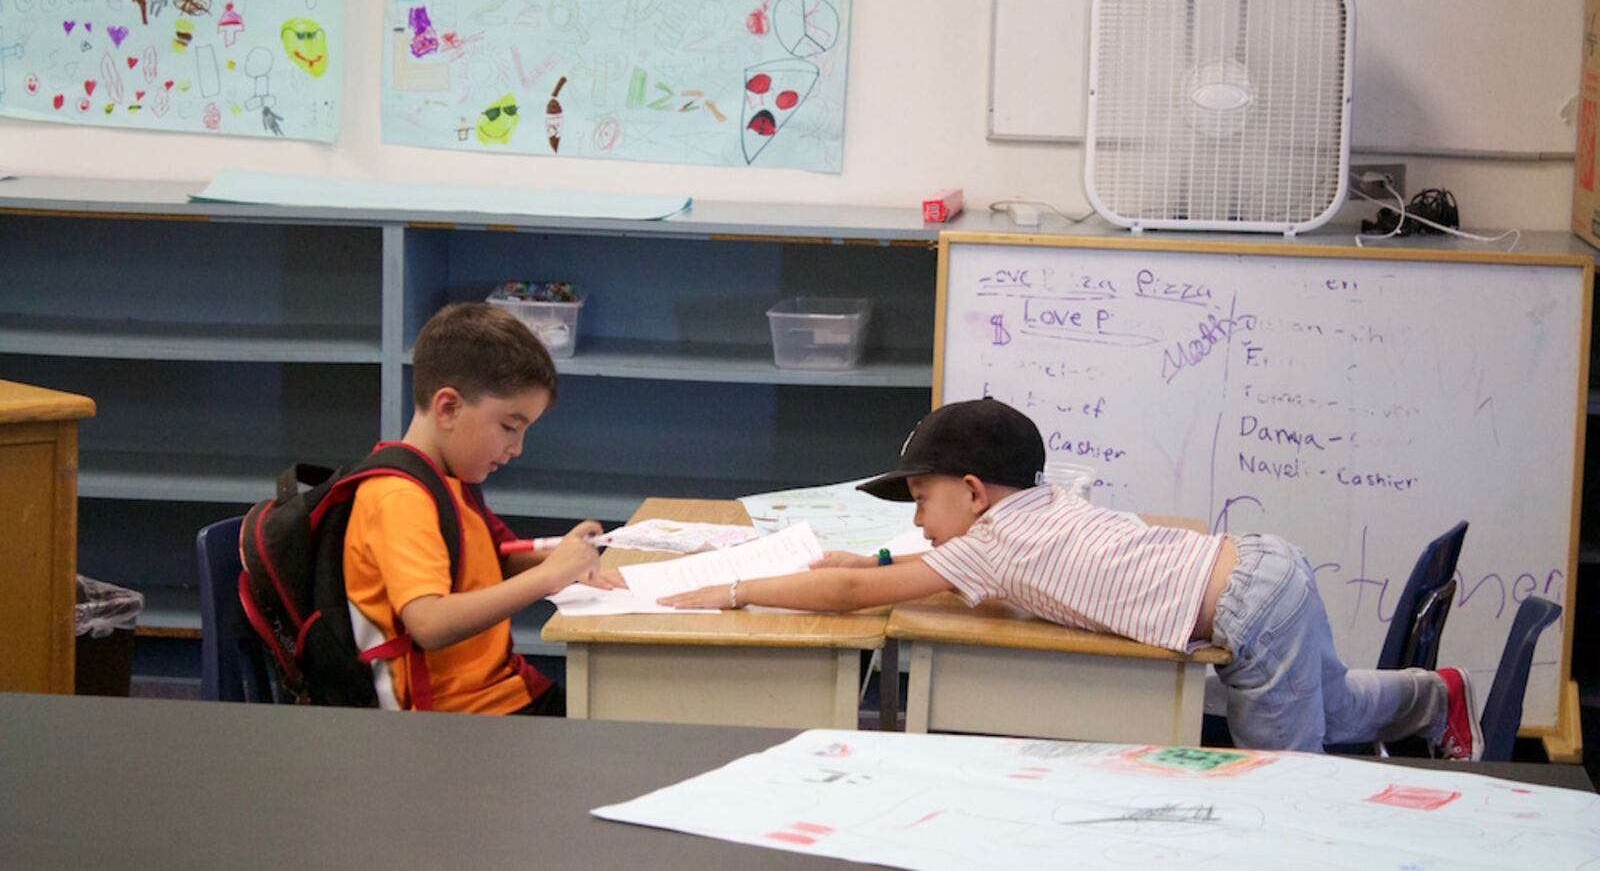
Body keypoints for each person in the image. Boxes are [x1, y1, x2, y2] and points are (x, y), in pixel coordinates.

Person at [661, 397, 1482, 757]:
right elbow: (929, 573)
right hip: (1263, 570)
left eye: (920, 500)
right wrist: (876, 559)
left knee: (1277, 789)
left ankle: (1425, 724)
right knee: (1333, 705)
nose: (915, 523)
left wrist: (729, 590)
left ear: (974, 494)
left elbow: (849, 598)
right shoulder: (1035, 510)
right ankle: (1440, 695)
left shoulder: (987, 547)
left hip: (1245, 610)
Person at [343, 303, 618, 714]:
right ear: (449, 408)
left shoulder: (450, 479)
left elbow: (491, 562)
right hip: (454, 720)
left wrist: (562, 560)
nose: (517, 448)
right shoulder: (400, 498)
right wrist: (548, 575)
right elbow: (430, 623)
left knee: (619, 713)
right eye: (510, 426)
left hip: (502, 691)